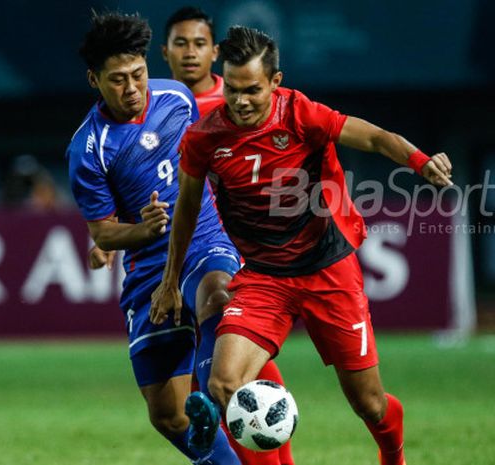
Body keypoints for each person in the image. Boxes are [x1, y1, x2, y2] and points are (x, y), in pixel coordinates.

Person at [151, 26, 454, 465]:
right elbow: (186, 211)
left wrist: (420, 162)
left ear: (275, 82)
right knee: (222, 384)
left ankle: (393, 453)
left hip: (327, 268)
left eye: (252, 90)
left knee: (368, 403)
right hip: (263, 277)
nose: (240, 101)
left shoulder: (300, 113)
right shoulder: (204, 139)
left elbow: (372, 137)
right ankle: (221, 425)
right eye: (232, 90)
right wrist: (170, 280)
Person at [67, 12, 244, 464]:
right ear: (95, 80)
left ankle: (212, 401)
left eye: (138, 74)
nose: (132, 89)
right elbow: (103, 230)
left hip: (202, 238)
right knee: (166, 414)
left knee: (216, 297)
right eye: (118, 80)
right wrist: (141, 230)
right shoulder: (90, 149)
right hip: (147, 267)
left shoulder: (178, 97)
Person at [161, 8, 293, 465]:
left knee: (224, 326)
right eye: (181, 44)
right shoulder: (157, 108)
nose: (190, 53)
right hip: (173, 242)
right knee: (209, 361)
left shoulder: (239, 102)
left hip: (234, 242)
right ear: (165, 53)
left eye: (199, 44)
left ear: (214, 52)